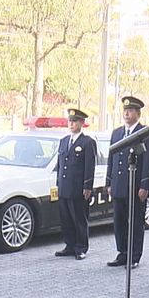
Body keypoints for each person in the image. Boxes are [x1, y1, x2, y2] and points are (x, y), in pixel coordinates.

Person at [105, 96, 149, 268]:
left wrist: (144, 185)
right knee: (119, 221)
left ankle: (134, 256)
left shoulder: (145, 133)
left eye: (131, 110)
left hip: (135, 186)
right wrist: (109, 182)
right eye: (125, 110)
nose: (127, 113)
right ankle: (122, 252)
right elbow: (112, 158)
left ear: (138, 113)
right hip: (119, 184)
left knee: (134, 222)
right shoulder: (117, 133)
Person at [54, 108, 96, 260]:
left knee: (79, 218)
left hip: (78, 188)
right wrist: (58, 184)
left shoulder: (87, 142)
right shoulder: (64, 141)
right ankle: (69, 245)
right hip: (65, 187)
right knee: (66, 218)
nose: (71, 124)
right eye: (70, 121)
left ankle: (81, 247)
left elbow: (89, 165)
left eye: (75, 121)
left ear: (82, 123)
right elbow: (60, 165)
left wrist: (87, 186)